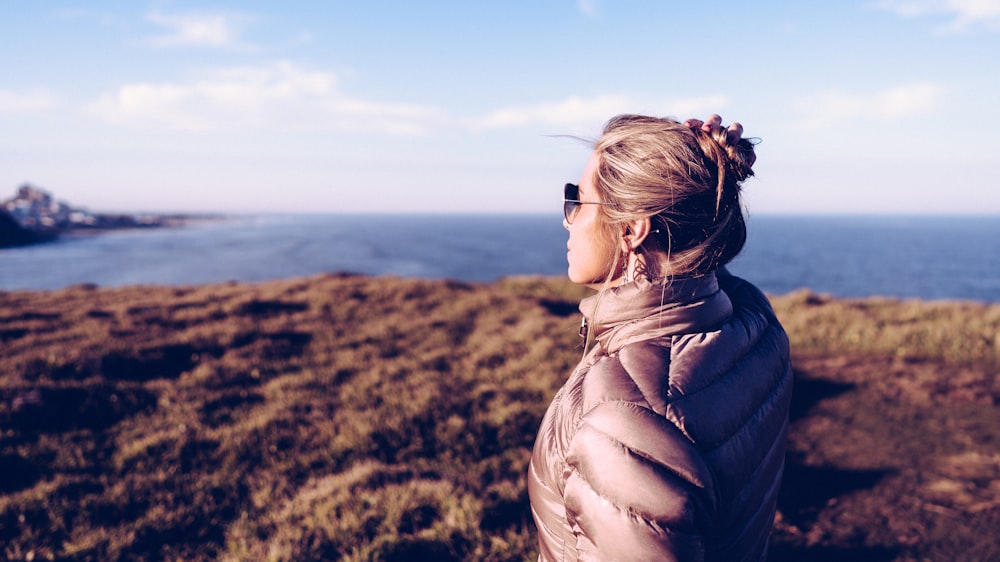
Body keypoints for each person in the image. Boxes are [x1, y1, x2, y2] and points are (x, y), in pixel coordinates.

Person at [528, 114, 793, 561]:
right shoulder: (752, 321)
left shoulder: (624, 422)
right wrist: (711, 177)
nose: (568, 220)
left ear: (631, 230)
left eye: (579, 200)